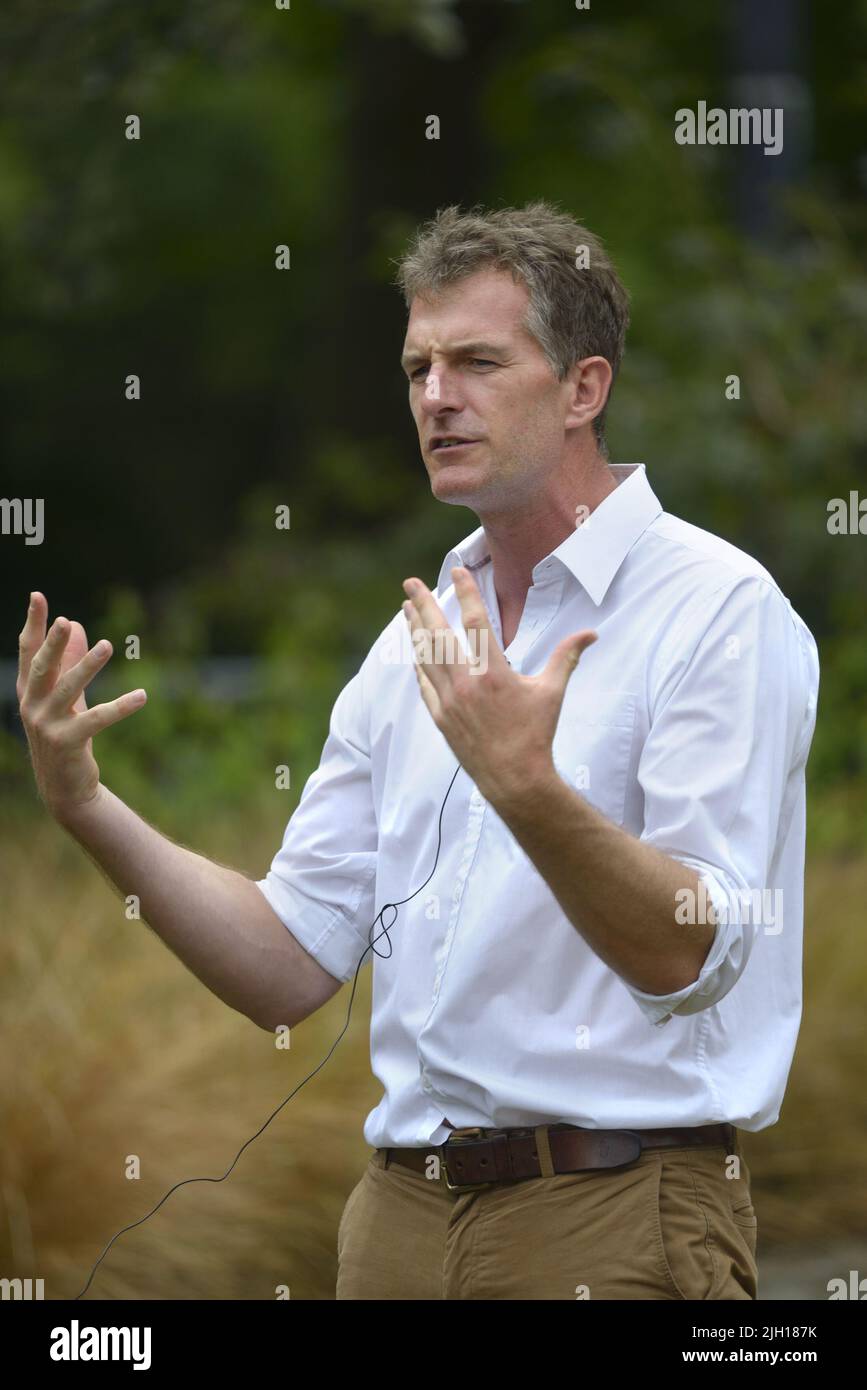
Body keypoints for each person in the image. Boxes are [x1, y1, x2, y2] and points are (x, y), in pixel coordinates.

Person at [17, 201, 819, 1301]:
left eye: (478, 361)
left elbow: (690, 952)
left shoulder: (722, 610)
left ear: (584, 388)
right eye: (417, 368)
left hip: (613, 1221)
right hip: (392, 1225)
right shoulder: (414, 641)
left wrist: (524, 787)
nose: (436, 396)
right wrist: (86, 805)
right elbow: (286, 966)